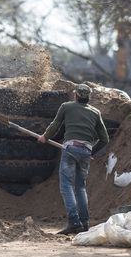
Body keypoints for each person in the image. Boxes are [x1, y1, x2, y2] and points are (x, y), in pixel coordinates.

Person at [38, 83, 109, 235]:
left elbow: (55, 126)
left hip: (70, 149)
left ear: (75, 95)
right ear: (89, 98)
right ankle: (84, 223)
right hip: (86, 151)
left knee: (66, 186)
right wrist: (91, 152)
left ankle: (74, 221)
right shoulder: (95, 112)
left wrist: (45, 137)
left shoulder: (66, 106)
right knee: (81, 187)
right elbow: (104, 139)